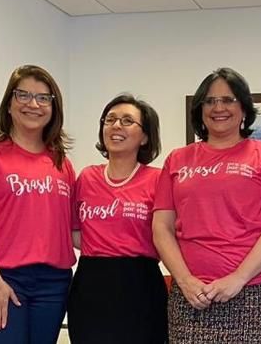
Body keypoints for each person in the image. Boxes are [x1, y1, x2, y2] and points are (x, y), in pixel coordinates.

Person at [153, 67, 261, 343]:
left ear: (244, 108)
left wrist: (238, 278)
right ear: (200, 109)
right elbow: (161, 228)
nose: (218, 107)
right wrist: (184, 281)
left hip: (255, 292)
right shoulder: (177, 159)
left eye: (228, 100)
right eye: (209, 101)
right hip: (192, 295)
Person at [0, 65, 76, 344]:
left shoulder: (61, 163)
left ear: (54, 108)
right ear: (9, 103)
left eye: (43, 98)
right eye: (23, 95)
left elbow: (72, 229)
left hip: (53, 282)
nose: (33, 104)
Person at [67, 94, 167, 343]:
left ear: (145, 137)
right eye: (110, 119)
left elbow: (168, 235)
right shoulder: (87, 177)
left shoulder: (158, 180)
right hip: (91, 284)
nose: (116, 126)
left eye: (127, 121)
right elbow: (75, 233)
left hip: (140, 284)